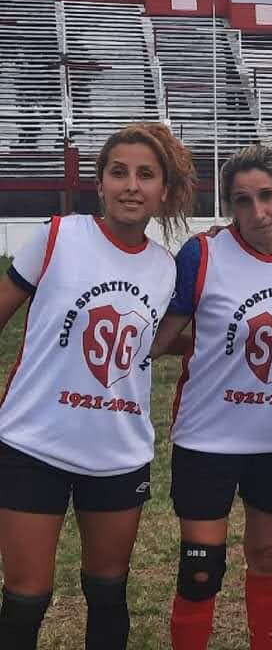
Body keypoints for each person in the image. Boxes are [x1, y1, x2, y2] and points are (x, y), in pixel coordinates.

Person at [0, 123, 196, 650]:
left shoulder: (165, 269)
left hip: (117, 452)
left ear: (163, 191)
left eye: (145, 175)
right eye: (119, 173)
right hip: (31, 444)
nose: (131, 185)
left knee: (107, 591)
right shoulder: (58, 235)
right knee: (26, 596)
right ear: (100, 183)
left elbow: (156, 342)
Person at [151, 144, 272, 650]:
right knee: (201, 569)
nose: (258, 212)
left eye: (267, 196)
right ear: (229, 205)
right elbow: (161, 338)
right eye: (242, 201)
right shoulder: (203, 253)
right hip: (207, 439)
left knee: (266, 558)